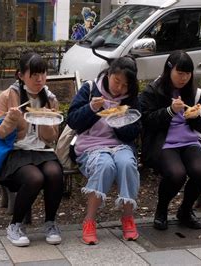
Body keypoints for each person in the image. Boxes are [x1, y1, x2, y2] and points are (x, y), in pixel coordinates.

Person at [67, 56, 141, 245]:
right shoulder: (90, 89)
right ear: (109, 74)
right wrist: (91, 108)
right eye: (117, 81)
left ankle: (127, 217)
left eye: (125, 85)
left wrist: (117, 121)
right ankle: (89, 220)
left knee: (127, 163)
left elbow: (134, 131)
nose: (119, 88)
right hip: (91, 145)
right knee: (104, 164)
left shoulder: (130, 98)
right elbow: (73, 121)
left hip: (119, 145)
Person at [0, 52, 64, 247]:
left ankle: (50, 223)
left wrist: (45, 121)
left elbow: (52, 138)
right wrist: (11, 119)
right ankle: (15, 225)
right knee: (35, 177)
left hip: (42, 151)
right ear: (21, 75)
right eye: (34, 74)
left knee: (54, 173)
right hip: (16, 152)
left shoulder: (50, 99)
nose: (40, 79)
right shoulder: (8, 96)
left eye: (43, 73)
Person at [139, 50, 201, 230]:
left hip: (189, 140)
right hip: (162, 141)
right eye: (180, 73)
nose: (184, 78)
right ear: (168, 70)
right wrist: (169, 111)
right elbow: (145, 121)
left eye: (188, 74)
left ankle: (185, 211)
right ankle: (161, 210)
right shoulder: (153, 91)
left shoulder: (195, 93)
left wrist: (195, 116)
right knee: (176, 173)